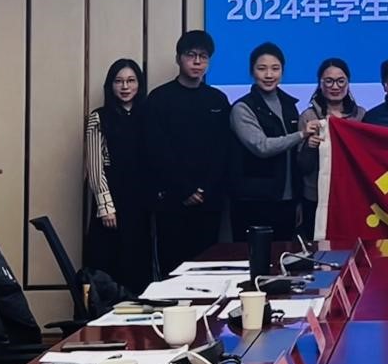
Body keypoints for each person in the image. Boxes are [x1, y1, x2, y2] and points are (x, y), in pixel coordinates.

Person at [147, 31, 232, 276]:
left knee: (208, 271)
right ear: (178, 58)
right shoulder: (159, 99)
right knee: (173, 272)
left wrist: (205, 190)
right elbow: (157, 151)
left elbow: (223, 150)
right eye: (190, 55)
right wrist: (185, 190)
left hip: (209, 202)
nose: (197, 62)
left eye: (203, 56)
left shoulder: (217, 99)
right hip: (172, 202)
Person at [230, 42, 314, 242]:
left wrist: (298, 200)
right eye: (262, 68)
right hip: (254, 200)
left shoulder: (289, 105)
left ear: (282, 72)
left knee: (284, 256)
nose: (269, 75)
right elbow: (262, 147)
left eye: (275, 69)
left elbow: (295, 156)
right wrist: (301, 135)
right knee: (254, 257)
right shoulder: (242, 108)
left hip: (288, 201)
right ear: (252, 72)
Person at [83, 58, 153, 292]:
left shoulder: (147, 116)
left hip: (140, 202)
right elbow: (95, 167)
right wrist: (106, 206)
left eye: (131, 81)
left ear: (139, 84)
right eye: (118, 81)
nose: (125, 87)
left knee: (138, 266)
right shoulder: (99, 117)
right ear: (110, 85)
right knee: (108, 266)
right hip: (112, 201)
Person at [298, 58, 366, 238]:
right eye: (329, 81)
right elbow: (302, 166)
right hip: (316, 196)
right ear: (320, 84)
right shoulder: (308, 116)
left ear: (348, 83)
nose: (335, 86)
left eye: (340, 81)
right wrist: (310, 146)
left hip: (351, 194)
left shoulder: (360, 115)